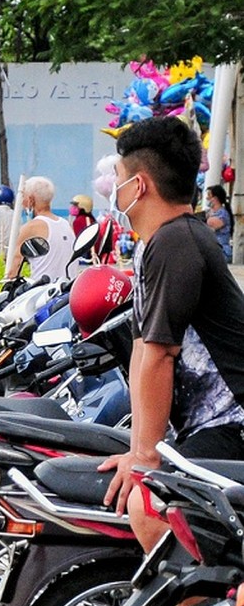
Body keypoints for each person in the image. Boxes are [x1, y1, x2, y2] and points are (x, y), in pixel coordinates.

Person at [96, 117, 244, 557]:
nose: (113, 190)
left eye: (118, 180)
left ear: (138, 186)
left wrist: (145, 460)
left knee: (150, 505)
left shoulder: (178, 243)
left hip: (233, 425)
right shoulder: (159, 242)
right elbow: (142, 350)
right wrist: (139, 449)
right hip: (209, 425)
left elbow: (160, 356)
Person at [7, 176, 76, 281]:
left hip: (42, 292)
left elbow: (15, 264)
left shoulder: (31, 227)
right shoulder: (66, 224)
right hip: (66, 288)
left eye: (23, 197)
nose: (22, 202)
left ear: (31, 199)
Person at [206, 184, 233, 261]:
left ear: (215, 198)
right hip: (213, 250)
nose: (207, 198)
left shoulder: (222, 214)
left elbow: (211, 223)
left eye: (209, 196)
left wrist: (209, 214)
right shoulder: (211, 213)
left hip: (221, 251)